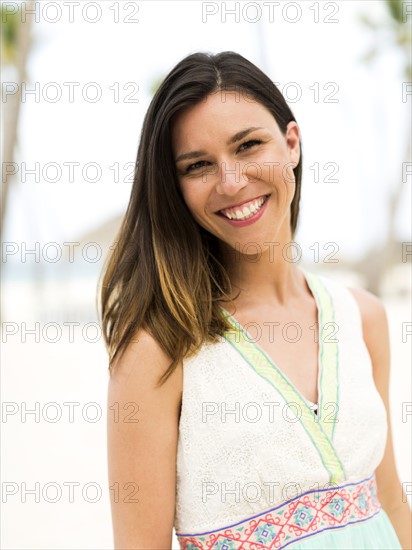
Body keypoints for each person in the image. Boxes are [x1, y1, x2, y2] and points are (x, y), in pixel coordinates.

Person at [99, 51, 411, 549]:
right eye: (198, 165)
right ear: (174, 187)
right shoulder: (160, 351)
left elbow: (392, 502)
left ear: (291, 144)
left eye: (248, 146)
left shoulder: (362, 318)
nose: (231, 181)